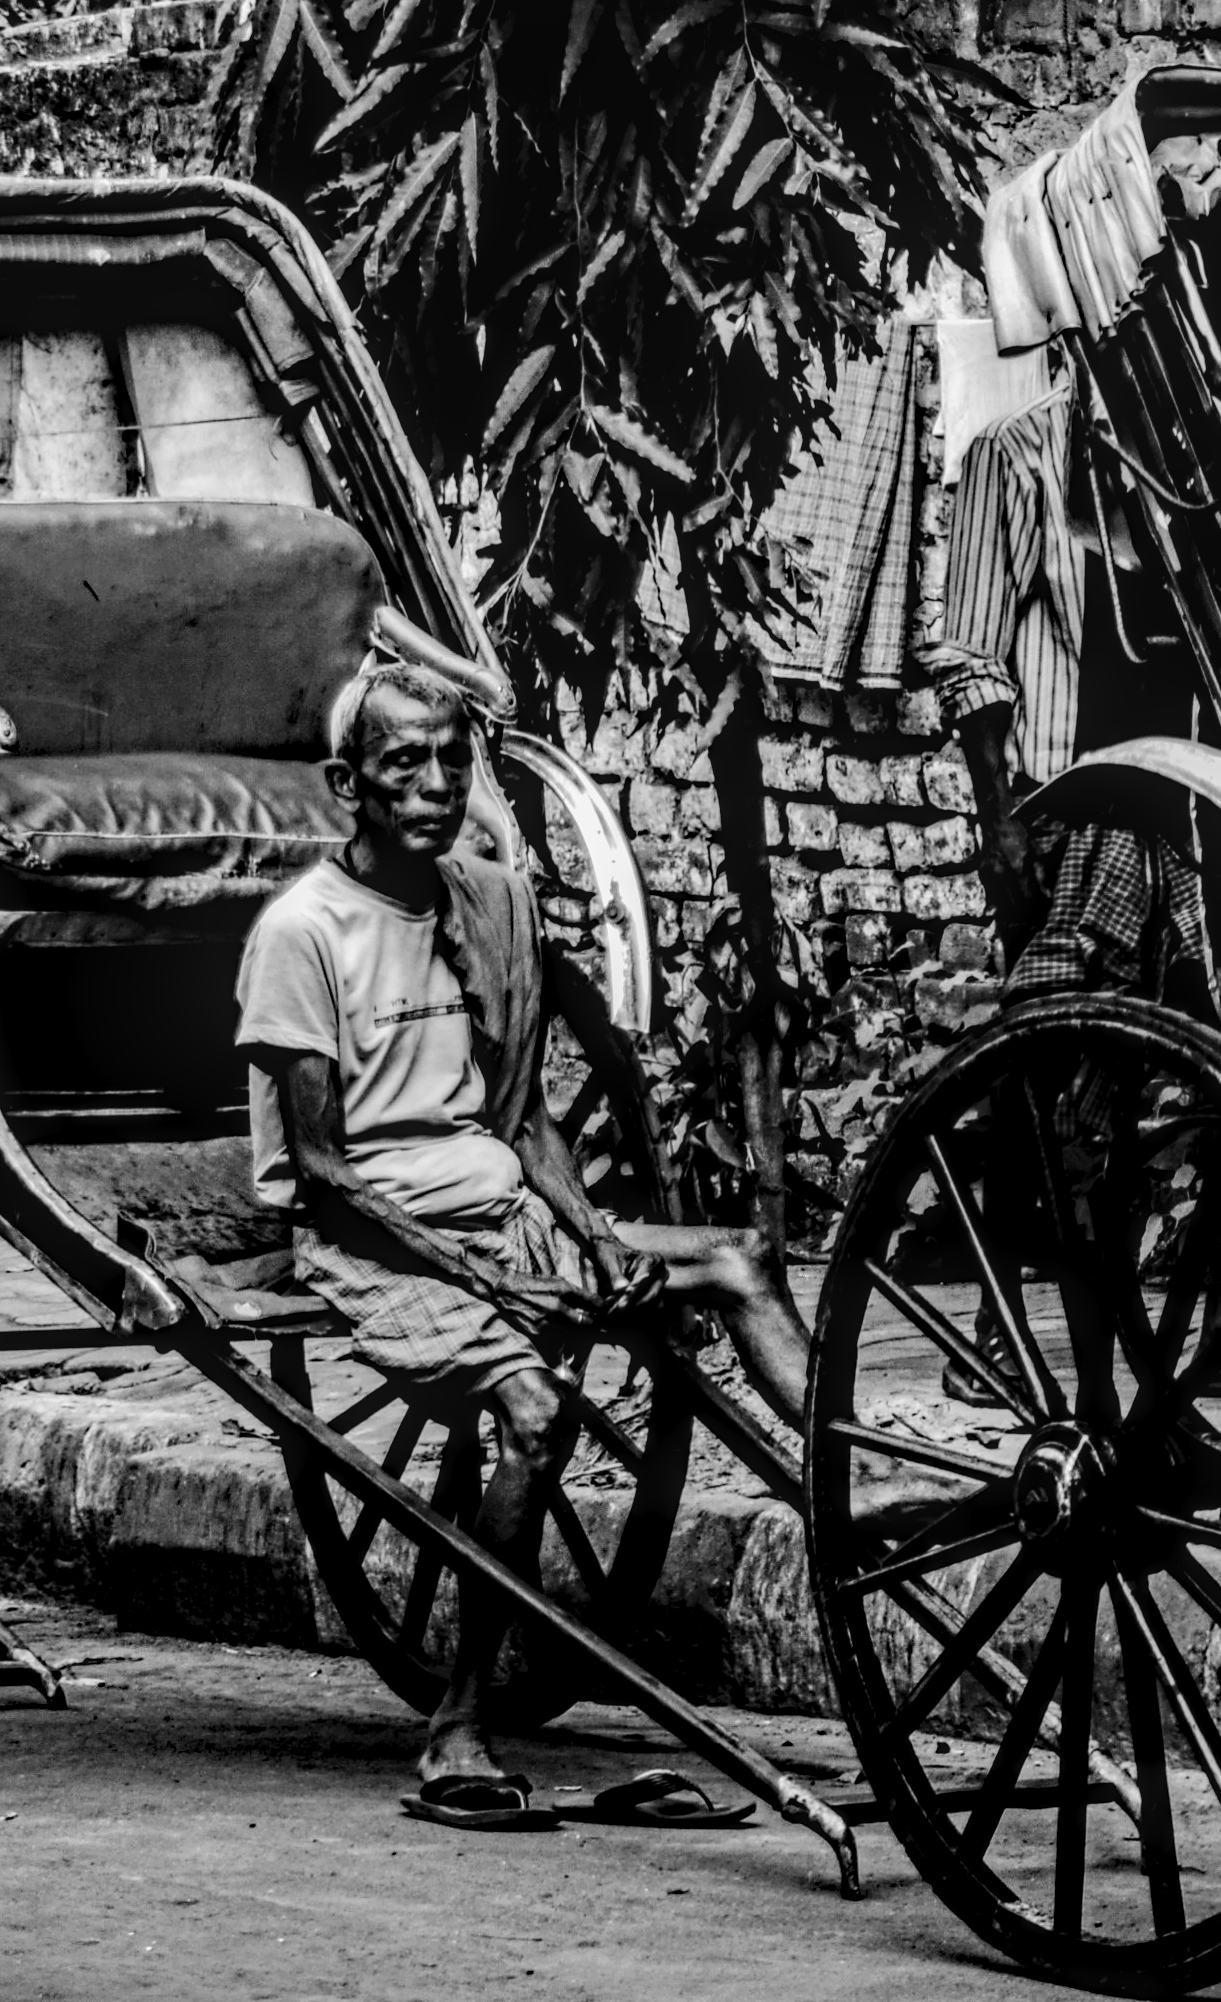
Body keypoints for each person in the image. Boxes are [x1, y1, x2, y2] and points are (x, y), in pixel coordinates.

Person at [235, 656, 810, 1835]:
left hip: (508, 1210)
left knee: (740, 1257)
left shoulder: (492, 901)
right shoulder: (302, 933)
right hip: (378, 1243)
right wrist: (481, 1276)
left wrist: (589, 1234)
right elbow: (326, 1176)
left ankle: (851, 1490)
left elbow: (526, 1115)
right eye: (405, 764)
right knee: (539, 1411)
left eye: (454, 759)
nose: (438, 785)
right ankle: (456, 1721)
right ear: (351, 782)